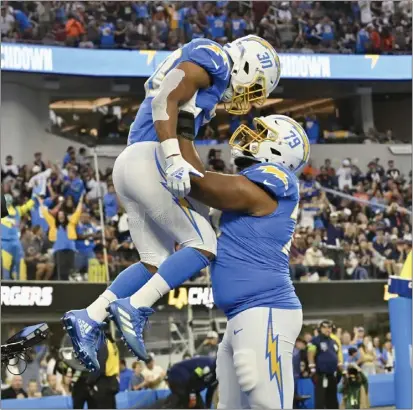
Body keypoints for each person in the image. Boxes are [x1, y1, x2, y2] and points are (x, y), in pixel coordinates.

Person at [62, 34, 281, 371]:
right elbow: (165, 98)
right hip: (151, 159)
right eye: (252, 87)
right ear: (246, 65)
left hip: (134, 164)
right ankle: (134, 307)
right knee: (204, 243)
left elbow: (182, 127)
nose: (246, 99)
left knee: (155, 261)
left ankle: (89, 317)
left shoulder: (208, 83)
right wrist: (173, 157)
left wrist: (194, 182)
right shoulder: (216, 59)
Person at [178, 114, 309, 408]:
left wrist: (182, 131)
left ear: (280, 150)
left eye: (262, 134)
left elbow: (201, 184)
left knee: (268, 405)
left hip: (266, 310)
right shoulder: (253, 186)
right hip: (244, 315)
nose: (251, 137)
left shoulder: (279, 180)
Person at [1, 194, 36, 280]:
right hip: (4, 242)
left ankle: (22, 282)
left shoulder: (17, 210)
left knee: (20, 262)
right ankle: (6, 284)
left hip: (15, 241)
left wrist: (34, 197)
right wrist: (8, 220)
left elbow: (27, 206)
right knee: (5, 265)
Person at [307, 320, 339, 409]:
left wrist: (340, 369)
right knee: (320, 398)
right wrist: (312, 369)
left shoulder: (333, 341)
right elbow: (310, 354)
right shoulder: (315, 340)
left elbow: (336, 356)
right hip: (320, 374)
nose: (327, 329)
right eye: (324, 327)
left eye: (329, 327)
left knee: (332, 398)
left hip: (332, 374)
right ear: (320, 329)